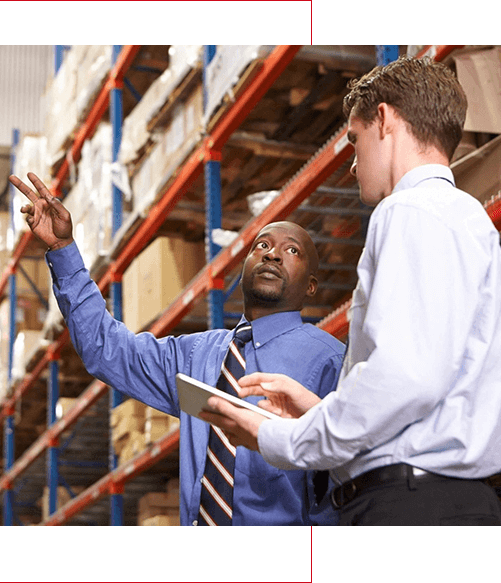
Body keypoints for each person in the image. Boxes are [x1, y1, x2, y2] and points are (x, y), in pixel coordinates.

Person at [202, 56, 501, 526]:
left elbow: (404, 376)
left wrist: (274, 437)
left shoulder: (407, 211)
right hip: (454, 500)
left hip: (406, 506)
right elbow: (432, 383)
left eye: (355, 142)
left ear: (384, 120)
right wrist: (322, 410)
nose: (353, 165)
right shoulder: (470, 222)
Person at [8, 171, 345, 526]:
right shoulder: (198, 355)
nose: (272, 255)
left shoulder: (330, 360)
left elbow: (351, 478)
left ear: (311, 287)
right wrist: (63, 251)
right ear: (243, 268)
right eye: (261, 245)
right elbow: (107, 349)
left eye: (291, 250)